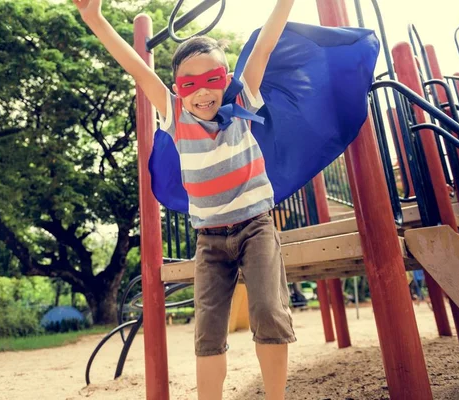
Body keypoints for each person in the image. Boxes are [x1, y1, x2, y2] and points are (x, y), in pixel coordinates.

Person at [73, 1, 296, 398]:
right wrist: (95, 18)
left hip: (256, 226)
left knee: (268, 311)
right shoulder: (175, 114)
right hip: (209, 241)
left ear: (226, 79)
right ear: (178, 90)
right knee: (207, 330)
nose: (203, 92)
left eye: (211, 79)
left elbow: (265, 43)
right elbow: (135, 67)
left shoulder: (242, 101)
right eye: (190, 84)